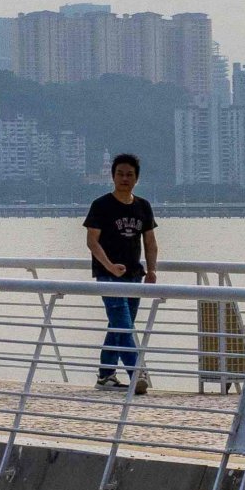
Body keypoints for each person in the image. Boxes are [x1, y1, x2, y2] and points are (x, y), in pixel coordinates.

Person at [84, 153, 160, 389]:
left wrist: (152, 270)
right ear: (112, 176)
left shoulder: (143, 206)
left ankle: (105, 375)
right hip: (108, 276)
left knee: (118, 325)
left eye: (129, 174)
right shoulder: (101, 205)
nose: (124, 178)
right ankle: (138, 373)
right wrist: (109, 267)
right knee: (123, 325)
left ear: (136, 178)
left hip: (134, 276)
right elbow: (92, 242)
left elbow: (150, 241)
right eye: (120, 174)